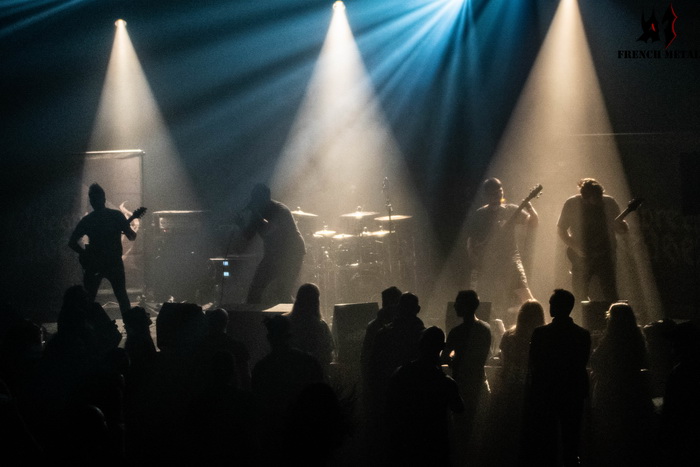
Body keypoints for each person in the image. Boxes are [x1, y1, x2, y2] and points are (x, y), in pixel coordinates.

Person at [525, 289, 591, 467]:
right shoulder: (583, 334)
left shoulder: (540, 333)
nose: (549, 305)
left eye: (552, 302)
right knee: (571, 438)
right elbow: (582, 363)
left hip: (546, 392)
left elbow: (534, 362)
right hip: (573, 392)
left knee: (547, 439)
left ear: (558, 306)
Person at [387, 327, 464, 467]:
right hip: (435, 444)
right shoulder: (445, 381)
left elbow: (389, 402)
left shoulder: (401, 373)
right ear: (442, 347)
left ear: (420, 345)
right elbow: (459, 408)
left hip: (407, 441)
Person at [467, 178, 538, 321]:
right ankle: (481, 327)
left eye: (500, 191)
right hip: (488, 262)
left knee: (526, 297)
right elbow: (471, 240)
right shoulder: (480, 214)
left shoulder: (510, 209)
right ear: (486, 195)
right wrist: (474, 259)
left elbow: (533, 223)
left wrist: (530, 208)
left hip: (510, 259)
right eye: (493, 193)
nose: (498, 195)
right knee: (482, 300)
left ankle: (540, 323)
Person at [68, 183, 139, 315]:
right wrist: (130, 227)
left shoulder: (88, 220)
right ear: (104, 199)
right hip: (114, 263)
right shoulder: (116, 215)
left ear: (91, 202)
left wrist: (85, 254)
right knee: (122, 296)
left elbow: (72, 242)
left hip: (94, 264)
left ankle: (87, 325)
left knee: (89, 299)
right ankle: (130, 324)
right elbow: (132, 237)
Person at [557, 178, 629, 303]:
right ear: (584, 198)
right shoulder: (572, 204)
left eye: (599, 198)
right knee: (579, 294)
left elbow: (622, 230)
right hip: (581, 257)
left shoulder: (609, 203)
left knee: (610, 293)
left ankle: (614, 314)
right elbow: (561, 230)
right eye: (593, 200)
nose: (598, 202)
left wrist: (622, 226)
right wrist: (576, 248)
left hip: (605, 255)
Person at [236, 183, 306, 305]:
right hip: (273, 254)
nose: (254, 201)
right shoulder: (258, 213)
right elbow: (248, 236)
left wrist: (256, 215)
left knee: (283, 291)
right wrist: (241, 224)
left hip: (292, 253)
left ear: (265, 197)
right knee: (256, 289)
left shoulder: (279, 210)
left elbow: (270, 230)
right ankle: (252, 314)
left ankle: (297, 314)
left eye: (256, 198)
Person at [285, 283, 334, 372]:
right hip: (314, 374)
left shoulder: (284, 322)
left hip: (288, 374)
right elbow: (328, 355)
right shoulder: (320, 326)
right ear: (316, 302)